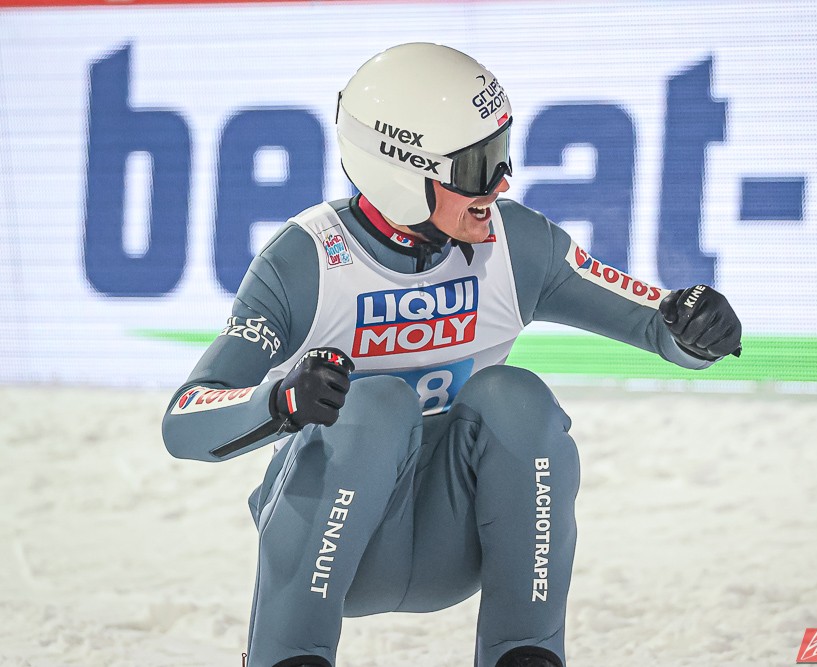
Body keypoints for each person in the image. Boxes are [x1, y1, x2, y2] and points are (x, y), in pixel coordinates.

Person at [161, 42, 742, 667]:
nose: (501, 183)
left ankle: (526, 652)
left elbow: (658, 322)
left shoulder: (515, 244)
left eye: (501, 154)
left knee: (515, 398)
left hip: (459, 539)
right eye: (476, 167)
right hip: (333, 547)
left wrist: (697, 328)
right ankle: (290, 653)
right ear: (403, 172)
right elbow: (184, 419)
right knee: (375, 405)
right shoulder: (305, 262)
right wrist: (280, 403)